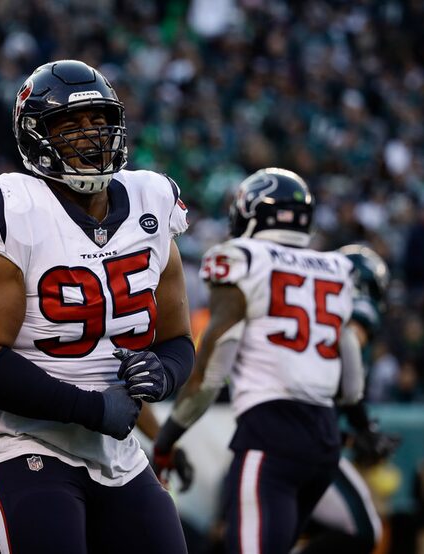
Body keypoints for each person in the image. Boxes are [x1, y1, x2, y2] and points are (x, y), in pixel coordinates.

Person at [0, 59, 194, 554]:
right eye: (69, 125)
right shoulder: (8, 209)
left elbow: (177, 339)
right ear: (36, 136)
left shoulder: (152, 200)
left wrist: (163, 373)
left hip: (114, 448)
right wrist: (92, 406)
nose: (90, 136)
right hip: (20, 442)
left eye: (98, 121)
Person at [153, 168, 364, 553]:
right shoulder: (338, 267)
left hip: (270, 435)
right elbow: (350, 375)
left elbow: (214, 368)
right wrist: (363, 422)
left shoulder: (242, 257)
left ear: (251, 212)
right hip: (325, 441)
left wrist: (166, 441)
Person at [304, 244, 401, 553]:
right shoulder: (357, 312)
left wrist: (350, 435)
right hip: (308, 442)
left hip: (283, 427)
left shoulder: (307, 307)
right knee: (363, 531)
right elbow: (344, 380)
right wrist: (364, 427)